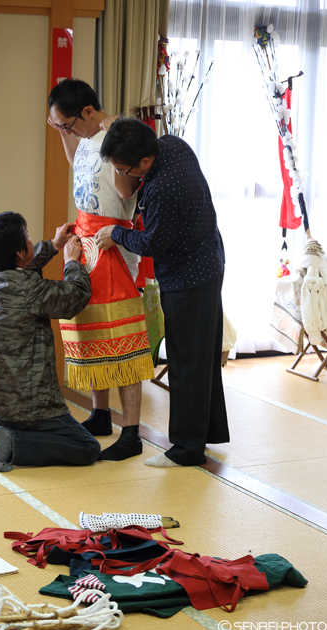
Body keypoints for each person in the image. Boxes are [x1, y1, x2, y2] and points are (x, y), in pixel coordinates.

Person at [95, 117, 230, 468]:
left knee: (185, 362)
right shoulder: (171, 144)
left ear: (144, 162)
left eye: (122, 168)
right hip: (208, 260)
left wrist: (115, 233)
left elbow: (152, 242)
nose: (119, 173)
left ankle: (186, 450)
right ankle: (206, 434)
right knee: (202, 359)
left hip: (189, 275)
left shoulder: (162, 189)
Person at [47, 79, 154, 462]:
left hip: (111, 240)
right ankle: (100, 413)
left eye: (68, 125)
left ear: (88, 112)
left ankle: (132, 432)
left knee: (119, 336)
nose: (67, 132)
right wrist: (63, 133)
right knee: (88, 328)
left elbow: (126, 193)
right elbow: (78, 163)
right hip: (85, 238)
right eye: (60, 127)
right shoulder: (86, 138)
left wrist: (114, 232)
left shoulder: (119, 136)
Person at [0, 211, 100, 472]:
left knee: (13, 418)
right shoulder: (30, 291)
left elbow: (22, 268)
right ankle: (12, 439)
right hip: (23, 406)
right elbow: (76, 295)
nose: (32, 241)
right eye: (29, 238)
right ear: (20, 252)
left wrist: (54, 245)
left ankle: (1, 428)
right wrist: (71, 262)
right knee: (87, 448)